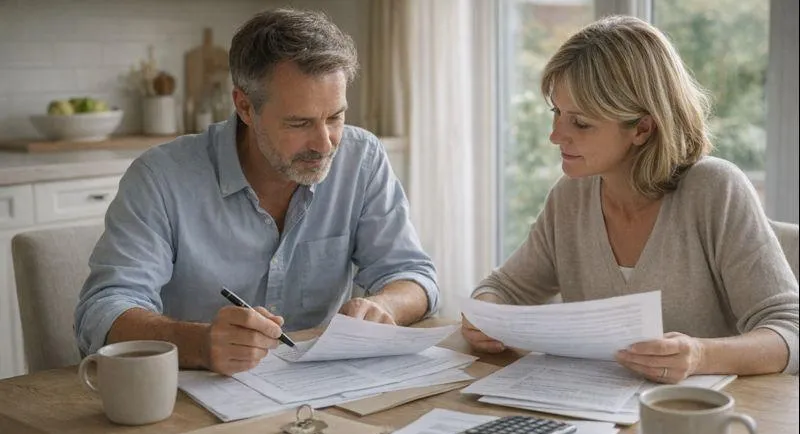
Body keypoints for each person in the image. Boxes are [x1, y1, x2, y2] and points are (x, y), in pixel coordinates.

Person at [75, 8, 438, 376]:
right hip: (195, 397)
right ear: (245, 106)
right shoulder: (160, 178)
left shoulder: (362, 158)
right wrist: (200, 344)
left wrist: (386, 306)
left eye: (335, 117)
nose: (325, 143)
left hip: (322, 391)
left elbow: (413, 275)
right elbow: (102, 311)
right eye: (299, 122)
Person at [463, 16, 798, 382]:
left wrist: (700, 355)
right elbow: (502, 289)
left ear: (641, 128)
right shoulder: (570, 197)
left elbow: (789, 331)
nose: (555, 136)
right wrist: (484, 315)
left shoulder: (716, 190)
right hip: (596, 418)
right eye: (557, 112)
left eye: (580, 122)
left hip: (703, 421)